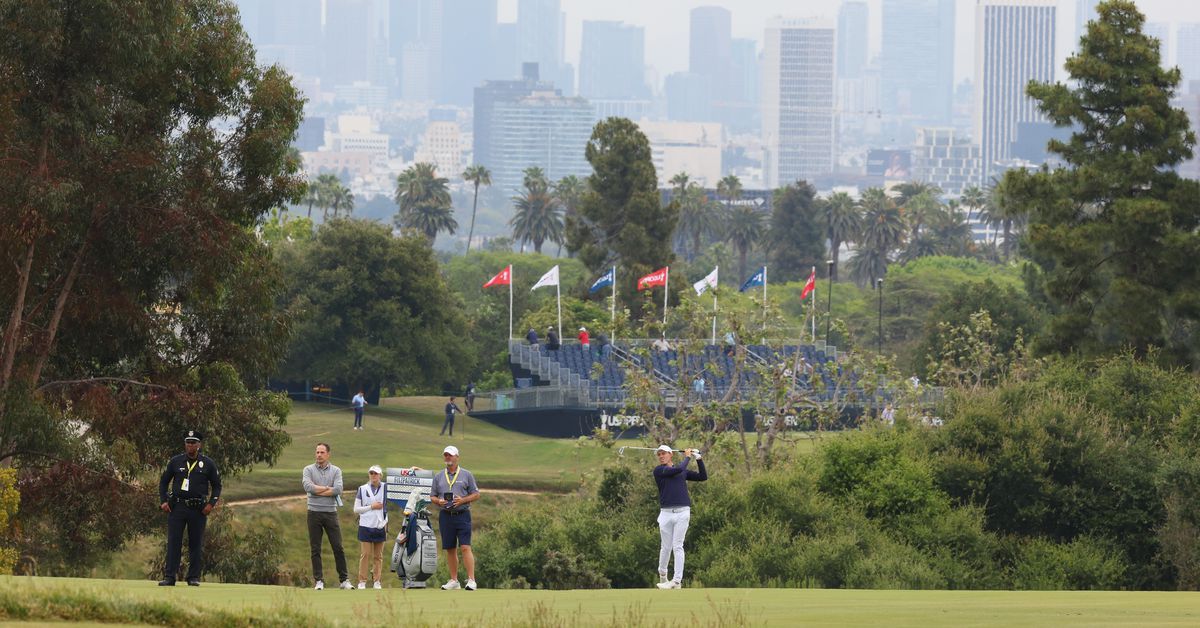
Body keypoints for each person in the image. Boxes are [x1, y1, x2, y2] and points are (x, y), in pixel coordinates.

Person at [158, 429, 221, 586]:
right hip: (177, 507)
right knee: (174, 542)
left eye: (193, 443)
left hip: (197, 509)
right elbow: (164, 482)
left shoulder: (208, 463)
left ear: (199, 445)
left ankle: (193, 577)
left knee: (195, 543)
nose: (190, 446)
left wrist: (210, 504)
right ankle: (170, 576)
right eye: (188, 443)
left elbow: (217, 486)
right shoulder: (176, 461)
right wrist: (163, 500)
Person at [652, 444, 707, 589]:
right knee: (666, 547)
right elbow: (678, 469)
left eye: (664, 453)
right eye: (659, 454)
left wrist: (699, 459)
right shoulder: (659, 470)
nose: (661, 456)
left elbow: (703, 477)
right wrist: (688, 456)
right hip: (665, 514)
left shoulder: (682, 471)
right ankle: (663, 574)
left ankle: (676, 581)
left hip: (682, 512)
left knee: (678, 546)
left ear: (671, 454)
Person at [431, 445, 481, 591]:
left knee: (465, 547)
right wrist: (438, 501)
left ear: (457, 457)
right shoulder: (439, 476)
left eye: (450, 455)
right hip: (446, 516)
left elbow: (476, 494)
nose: (448, 458)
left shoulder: (466, 474)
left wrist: (463, 500)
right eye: (446, 455)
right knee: (450, 549)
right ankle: (454, 580)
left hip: (462, 515)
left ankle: (471, 580)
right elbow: (432, 496)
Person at [303, 442, 351, 590]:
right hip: (314, 512)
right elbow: (308, 487)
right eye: (317, 452)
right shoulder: (308, 469)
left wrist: (317, 491)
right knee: (315, 548)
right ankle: (319, 581)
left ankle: (344, 580)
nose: (319, 455)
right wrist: (326, 489)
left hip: (330, 512)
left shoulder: (336, 471)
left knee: (338, 547)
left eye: (322, 452)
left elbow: (338, 489)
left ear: (328, 454)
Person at [353, 465, 388, 590]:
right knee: (365, 554)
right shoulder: (362, 489)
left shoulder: (386, 488)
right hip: (365, 525)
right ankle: (362, 581)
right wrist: (371, 507)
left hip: (380, 524)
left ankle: (377, 580)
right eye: (371, 473)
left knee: (378, 556)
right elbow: (356, 509)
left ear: (380, 475)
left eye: (376, 473)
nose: (374, 476)